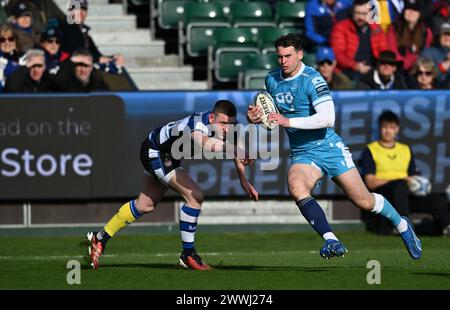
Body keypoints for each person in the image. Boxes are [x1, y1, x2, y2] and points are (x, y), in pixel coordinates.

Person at [247, 33, 422, 260]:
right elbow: (271, 115)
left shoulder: (313, 80)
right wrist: (256, 117)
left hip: (329, 147)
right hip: (302, 152)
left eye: (288, 56)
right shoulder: (272, 79)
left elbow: (328, 119)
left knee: (364, 201)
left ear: (300, 55)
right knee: (296, 186)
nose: (283, 61)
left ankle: (402, 225)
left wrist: (287, 121)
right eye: (279, 57)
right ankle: (332, 240)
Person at [83, 100, 259, 270]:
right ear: (212, 118)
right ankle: (188, 255)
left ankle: (100, 238)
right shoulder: (198, 124)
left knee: (145, 205)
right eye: (223, 123)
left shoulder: (227, 128)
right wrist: (237, 150)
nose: (226, 128)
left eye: (230, 124)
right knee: (195, 196)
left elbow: (235, 144)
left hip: (166, 153)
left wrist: (243, 179)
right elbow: (206, 144)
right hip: (157, 151)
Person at [359, 110, 450, 236]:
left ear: (397, 129)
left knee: (437, 198)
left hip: (405, 195)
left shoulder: (405, 149)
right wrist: (398, 180)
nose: (387, 131)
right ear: (379, 128)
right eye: (384, 127)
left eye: (391, 127)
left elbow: (412, 176)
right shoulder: (370, 150)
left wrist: (417, 183)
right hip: (385, 195)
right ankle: (405, 227)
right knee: (398, 186)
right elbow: (370, 182)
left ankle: (447, 226)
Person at [330, 0, 388, 81]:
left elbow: (383, 50)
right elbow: (338, 54)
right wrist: (355, 66)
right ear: (352, 13)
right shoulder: (341, 27)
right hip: (348, 70)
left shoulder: (376, 29)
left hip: (373, 68)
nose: (360, 17)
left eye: (364, 13)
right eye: (357, 13)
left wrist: (383, 66)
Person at [386, 0, 433, 72]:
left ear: (419, 14)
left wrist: (416, 65)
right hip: (398, 68)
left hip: (418, 69)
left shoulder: (426, 32)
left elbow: (426, 53)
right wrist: (404, 64)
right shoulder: (394, 28)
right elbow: (392, 51)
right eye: (408, 9)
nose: (411, 12)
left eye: (415, 10)